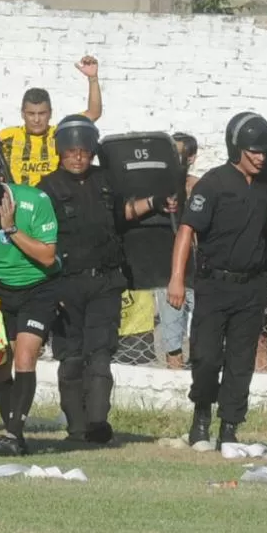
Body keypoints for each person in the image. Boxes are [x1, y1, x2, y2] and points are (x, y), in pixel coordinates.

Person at [39, 115, 177, 444]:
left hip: (106, 281)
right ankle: (76, 427)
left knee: (100, 355)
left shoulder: (106, 180)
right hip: (65, 284)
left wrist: (155, 203)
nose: (78, 157)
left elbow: (123, 213)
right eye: (71, 151)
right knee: (71, 358)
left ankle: (98, 423)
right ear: (61, 152)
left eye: (84, 151)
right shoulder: (47, 189)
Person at [167, 112, 267, 448]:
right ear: (237, 148)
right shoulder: (213, 184)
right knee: (208, 357)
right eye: (253, 150)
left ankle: (230, 428)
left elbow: (265, 222)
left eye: (263, 151)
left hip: (252, 287)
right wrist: (177, 280)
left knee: (241, 362)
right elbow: (187, 229)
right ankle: (201, 419)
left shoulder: (265, 187)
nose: (260, 157)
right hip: (214, 285)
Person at [0, 178, 60, 457]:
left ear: (6, 203)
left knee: (25, 357)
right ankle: (14, 432)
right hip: (0, 291)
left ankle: (12, 433)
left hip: (39, 287)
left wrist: (11, 229)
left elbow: (48, 256)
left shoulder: (36, 201)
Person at [0, 57, 103, 187]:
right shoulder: (8, 136)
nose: (36, 120)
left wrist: (93, 79)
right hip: (19, 200)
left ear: (50, 113)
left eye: (42, 113)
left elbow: (93, 113)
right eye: (31, 114)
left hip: (54, 199)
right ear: (22, 114)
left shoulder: (60, 134)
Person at [155, 132, 198, 369]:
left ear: (191, 158)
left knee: (202, 336)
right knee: (172, 338)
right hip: (167, 269)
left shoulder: (199, 188)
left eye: (179, 154)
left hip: (197, 268)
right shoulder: (157, 191)